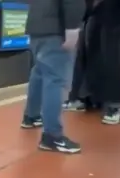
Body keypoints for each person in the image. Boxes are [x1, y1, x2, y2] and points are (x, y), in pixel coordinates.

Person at [21, 0, 85, 153]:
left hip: (37, 27)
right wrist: (72, 28)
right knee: (55, 79)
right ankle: (52, 136)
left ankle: (31, 116)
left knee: (39, 72)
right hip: (56, 29)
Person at [64, 0, 120, 125]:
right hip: (90, 24)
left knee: (111, 64)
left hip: (110, 27)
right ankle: (86, 99)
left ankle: (114, 106)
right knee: (86, 62)